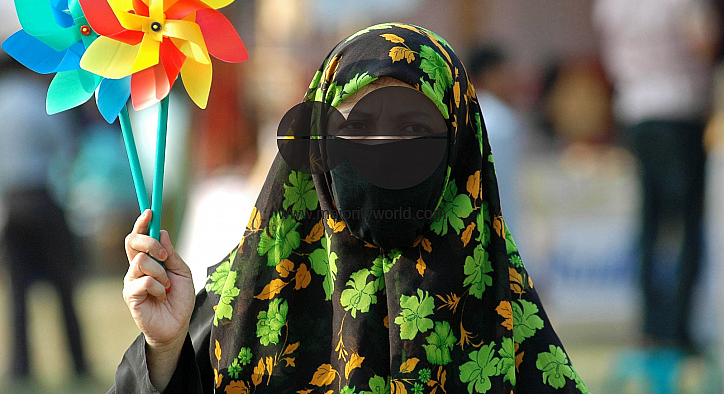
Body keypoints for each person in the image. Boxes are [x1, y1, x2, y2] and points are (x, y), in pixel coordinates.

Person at [110, 23, 589, 393]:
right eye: (358, 129)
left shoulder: (504, 317)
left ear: (459, 147)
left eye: (412, 131)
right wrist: (165, 348)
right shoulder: (240, 301)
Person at [593, 0, 717, 353]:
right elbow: (702, 42)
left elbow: (607, 51)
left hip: (636, 110)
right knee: (684, 223)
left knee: (647, 221)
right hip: (679, 110)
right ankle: (678, 328)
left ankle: (649, 324)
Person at [0, 56, 88, 382]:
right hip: (43, 199)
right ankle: (77, 363)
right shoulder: (41, 98)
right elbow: (68, 149)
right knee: (64, 286)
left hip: (10, 204)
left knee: (17, 293)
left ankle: (20, 368)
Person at [466, 44, 523, 238]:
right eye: (506, 73)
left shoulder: (467, 112)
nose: (513, 80)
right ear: (491, 74)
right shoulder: (499, 120)